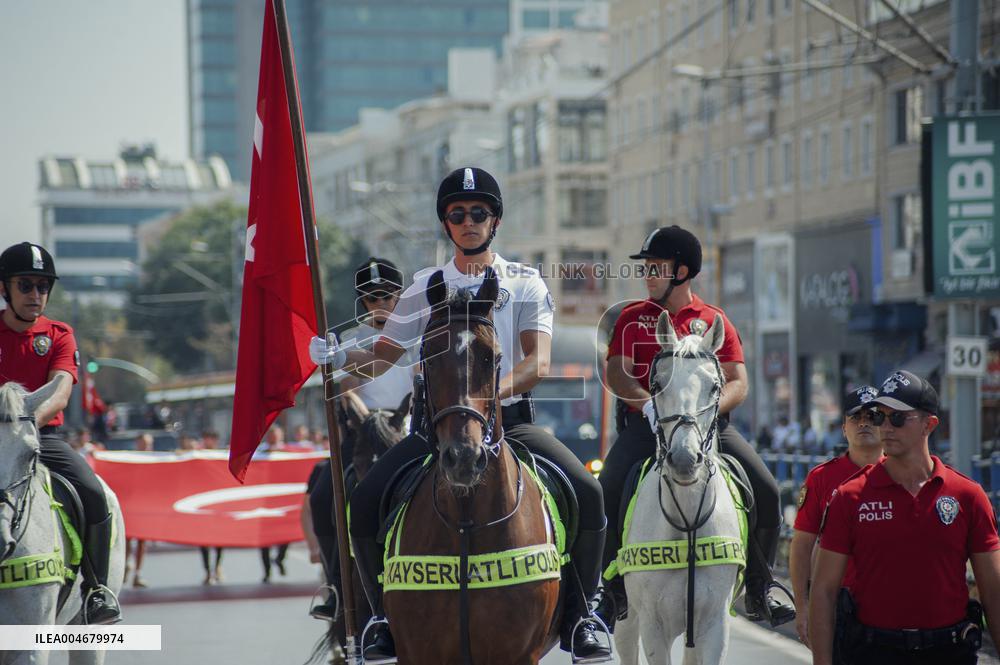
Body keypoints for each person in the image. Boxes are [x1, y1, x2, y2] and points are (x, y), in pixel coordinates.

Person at [309, 167, 610, 663]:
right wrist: (338, 357)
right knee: (363, 504)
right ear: (445, 223)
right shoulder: (423, 287)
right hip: (435, 430)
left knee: (590, 491)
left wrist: (485, 398)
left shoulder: (526, 282)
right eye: (457, 214)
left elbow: (538, 362)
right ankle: (379, 618)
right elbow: (384, 356)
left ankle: (584, 615)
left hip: (511, 423)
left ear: (495, 220)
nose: (468, 222)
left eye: (478, 213)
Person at [593, 226, 795, 631]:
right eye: (647, 267)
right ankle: (610, 590)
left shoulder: (714, 320)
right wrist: (647, 404)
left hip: (708, 428)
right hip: (646, 426)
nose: (647, 274)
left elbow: (738, 381)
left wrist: (705, 412)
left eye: (656, 267)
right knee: (607, 489)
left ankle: (760, 586)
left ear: (682, 271)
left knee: (768, 491)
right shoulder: (632, 319)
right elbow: (616, 374)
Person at [810, 370, 1000, 665]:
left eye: (897, 417)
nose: (885, 426)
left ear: (929, 424)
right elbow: (823, 591)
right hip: (875, 653)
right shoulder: (849, 497)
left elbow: (994, 591)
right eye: (879, 417)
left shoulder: (968, 496)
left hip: (949, 653)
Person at [0, 242, 121, 624]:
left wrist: (25, 421)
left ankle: (96, 590)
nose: (35, 294)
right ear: (5, 288)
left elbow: (62, 388)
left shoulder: (59, 334)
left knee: (93, 491)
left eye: (42, 286)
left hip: (40, 435)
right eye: (25, 285)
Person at [307, 256, 414, 621]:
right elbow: (348, 390)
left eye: (387, 296)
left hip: (411, 430)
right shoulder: (348, 341)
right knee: (323, 497)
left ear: (400, 296)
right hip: (365, 431)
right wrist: (368, 421)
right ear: (362, 301)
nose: (380, 304)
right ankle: (337, 585)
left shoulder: (418, 335)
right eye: (371, 298)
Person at [788, 386, 883, 646]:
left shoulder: (904, 474)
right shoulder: (821, 478)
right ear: (843, 428)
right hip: (837, 606)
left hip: (891, 606)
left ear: (886, 424)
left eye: (873, 416)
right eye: (855, 417)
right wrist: (802, 606)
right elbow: (801, 546)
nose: (864, 423)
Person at [125, 432, 155, 589]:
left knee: (143, 542)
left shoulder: (156, 460)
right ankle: (126, 564)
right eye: (144, 443)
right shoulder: (130, 458)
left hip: (145, 507)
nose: (147, 446)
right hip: (131, 506)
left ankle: (138, 573)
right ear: (137, 443)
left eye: (149, 443)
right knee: (127, 540)